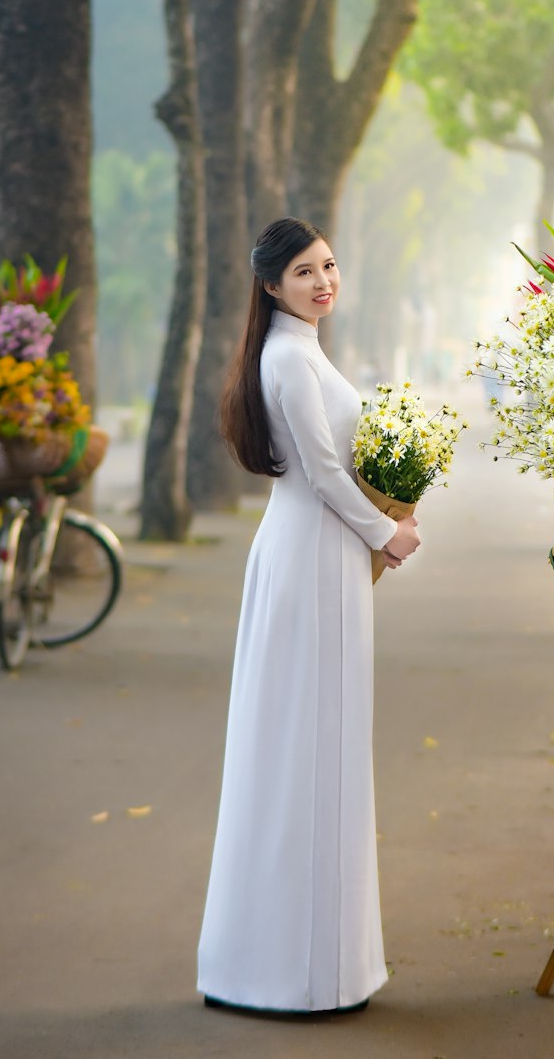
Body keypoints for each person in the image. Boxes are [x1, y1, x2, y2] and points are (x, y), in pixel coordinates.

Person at [197, 217, 421, 1015]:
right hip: (314, 559)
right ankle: (303, 975)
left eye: (328, 265)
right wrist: (386, 533)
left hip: (312, 556)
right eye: (303, 272)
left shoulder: (298, 350)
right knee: (313, 751)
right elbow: (324, 472)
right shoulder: (289, 355)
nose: (323, 281)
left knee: (303, 749)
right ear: (269, 286)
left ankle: (287, 964)